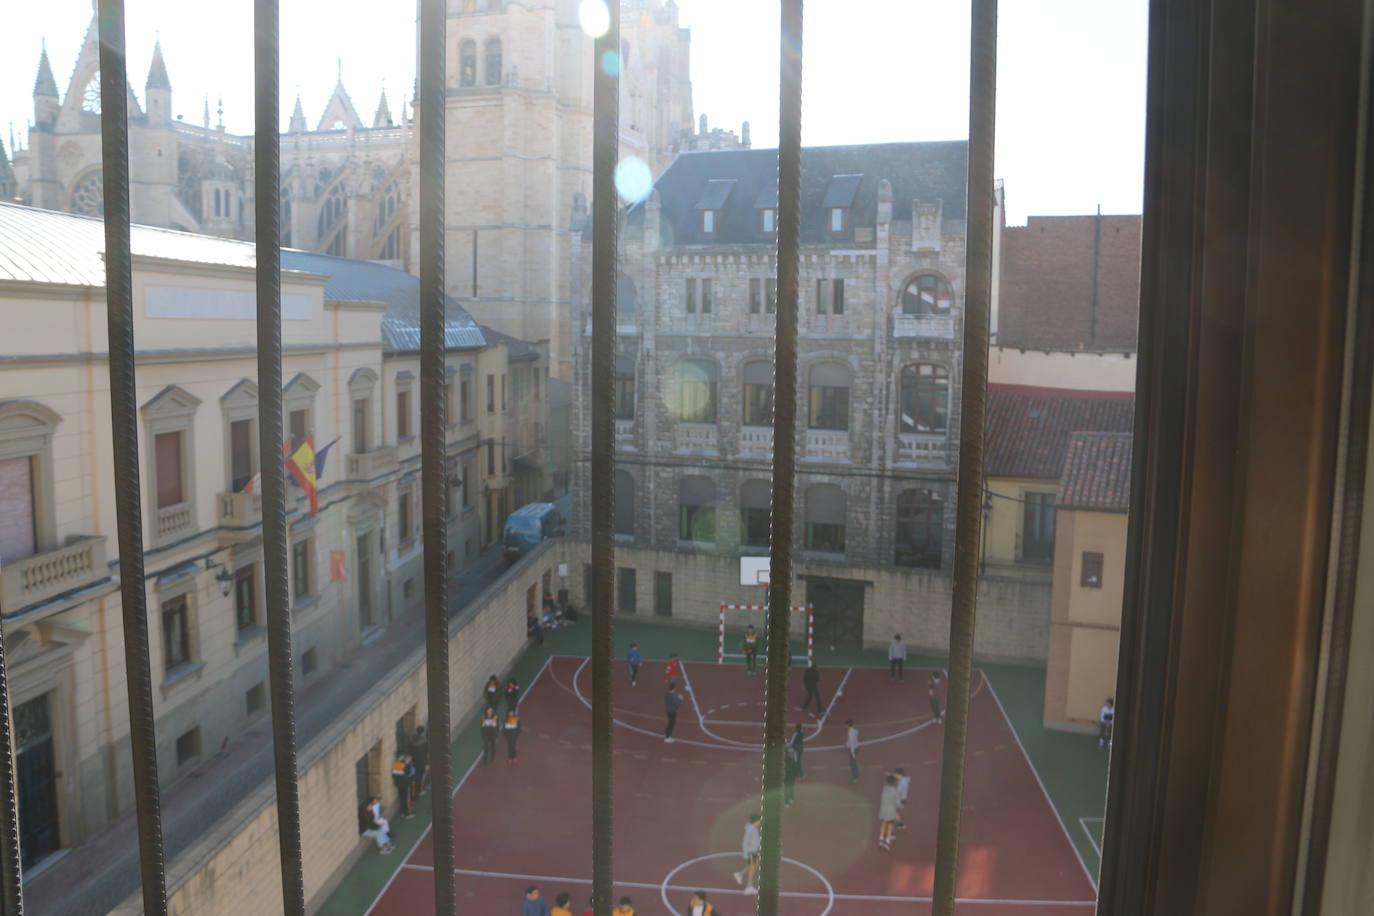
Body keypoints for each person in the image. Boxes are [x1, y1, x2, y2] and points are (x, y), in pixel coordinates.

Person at [732, 812, 762, 895]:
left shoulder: (753, 828)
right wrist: (746, 854)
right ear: (755, 821)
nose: (760, 823)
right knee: (752, 869)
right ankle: (748, 887)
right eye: (759, 821)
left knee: (754, 865)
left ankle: (740, 874)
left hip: (754, 852)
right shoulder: (751, 829)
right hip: (751, 853)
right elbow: (745, 842)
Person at [877, 772, 901, 850]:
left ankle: (880, 840)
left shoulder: (884, 789)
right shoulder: (895, 791)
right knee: (890, 826)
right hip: (891, 812)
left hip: (883, 810)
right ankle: (887, 842)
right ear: (894, 782)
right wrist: (900, 806)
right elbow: (897, 803)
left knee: (883, 825)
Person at [410, 726, 431, 798]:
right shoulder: (424, 744)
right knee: (422, 777)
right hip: (421, 764)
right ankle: (420, 790)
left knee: (416, 778)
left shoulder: (411, 744)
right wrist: (427, 764)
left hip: (414, 764)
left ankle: (417, 791)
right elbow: (427, 755)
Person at [391, 753, 414, 818]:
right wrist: (407, 764)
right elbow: (409, 774)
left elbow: (394, 775)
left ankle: (402, 812)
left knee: (402, 798)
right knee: (406, 798)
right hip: (405, 784)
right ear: (401, 757)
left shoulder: (394, 764)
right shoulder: (405, 765)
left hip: (398, 784)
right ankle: (408, 813)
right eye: (403, 756)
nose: (404, 757)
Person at [784, 743, 799, 807]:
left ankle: (787, 802)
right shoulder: (792, 760)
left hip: (786, 776)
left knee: (786, 789)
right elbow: (796, 767)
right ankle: (791, 798)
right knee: (791, 787)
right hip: (792, 776)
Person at [846, 719, 860, 783]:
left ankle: (854, 778)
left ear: (848, 725)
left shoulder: (850, 732)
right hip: (856, 747)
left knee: (853, 764)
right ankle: (855, 776)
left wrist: (853, 753)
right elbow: (851, 741)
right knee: (853, 763)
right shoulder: (855, 730)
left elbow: (852, 743)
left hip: (853, 749)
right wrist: (847, 744)